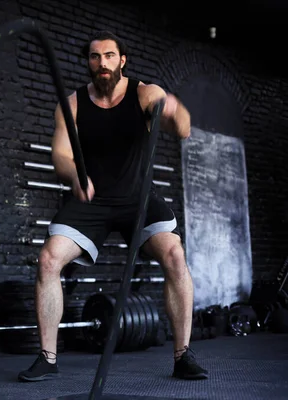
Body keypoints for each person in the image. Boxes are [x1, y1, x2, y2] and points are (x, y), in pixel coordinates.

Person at [18, 31, 209, 382]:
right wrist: (75, 177)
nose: (102, 62)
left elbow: (182, 129)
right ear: (89, 63)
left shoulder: (144, 94)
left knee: (174, 255)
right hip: (92, 199)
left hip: (138, 196)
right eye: (94, 57)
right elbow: (60, 153)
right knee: (48, 260)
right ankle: (47, 356)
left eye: (109, 56)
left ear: (122, 61)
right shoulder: (72, 104)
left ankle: (183, 354)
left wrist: (171, 108)